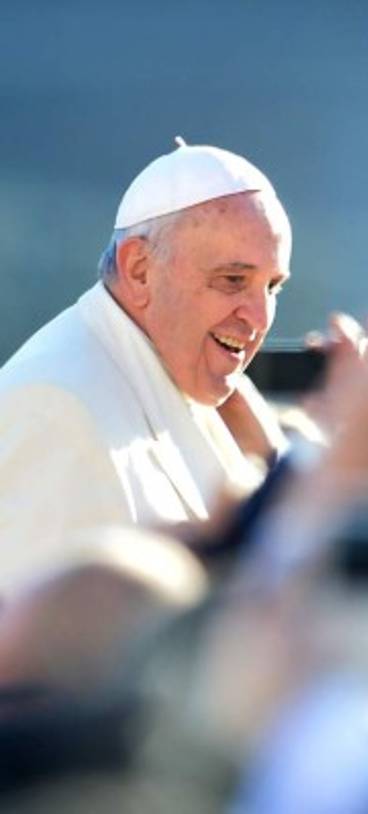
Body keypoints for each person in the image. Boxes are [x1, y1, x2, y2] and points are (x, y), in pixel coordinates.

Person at [0, 140, 291, 588]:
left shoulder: (186, 379)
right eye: (233, 280)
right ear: (139, 269)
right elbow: (38, 647)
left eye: (272, 287)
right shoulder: (53, 409)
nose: (259, 317)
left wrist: (276, 459)